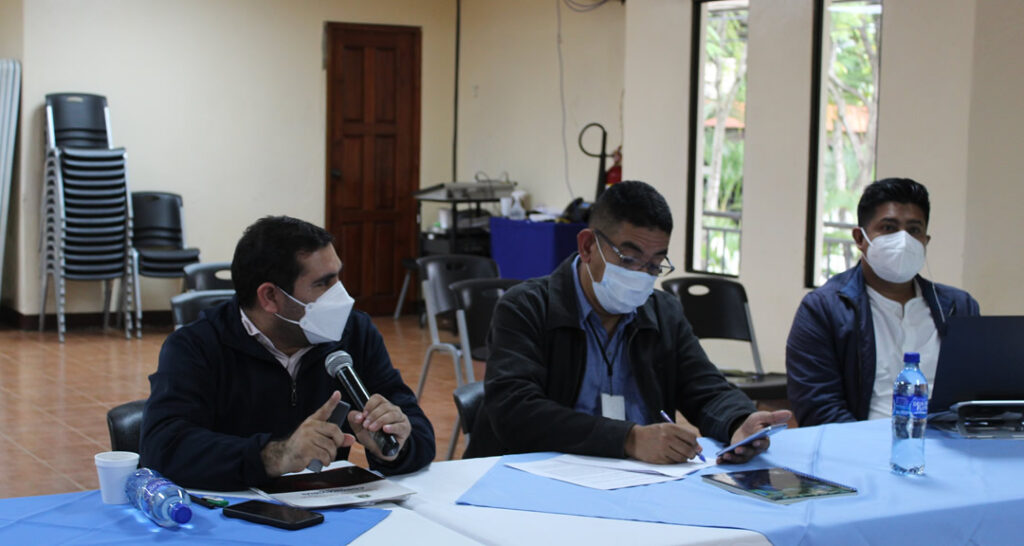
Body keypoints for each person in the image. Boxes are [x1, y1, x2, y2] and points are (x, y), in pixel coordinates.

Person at [466, 181, 790, 464]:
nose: (640, 275)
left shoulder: (663, 312)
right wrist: (628, 439)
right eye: (629, 258)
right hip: (535, 476)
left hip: (635, 480)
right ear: (588, 246)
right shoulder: (527, 307)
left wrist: (739, 421)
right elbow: (515, 411)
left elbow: (705, 388)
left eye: (654, 265)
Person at [140, 216, 435, 490]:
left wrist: (395, 445)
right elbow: (164, 447)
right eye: (323, 283)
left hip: (329, 514)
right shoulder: (196, 346)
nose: (341, 296)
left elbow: (418, 430)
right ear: (270, 297)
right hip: (231, 514)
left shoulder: (354, 333)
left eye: (338, 278)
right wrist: (276, 455)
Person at [786, 178, 980, 427]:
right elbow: (819, 409)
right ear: (860, 238)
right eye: (889, 228)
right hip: (857, 454)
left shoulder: (959, 308)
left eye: (914, 230)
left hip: (948, 449)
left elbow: (975, 399)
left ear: (925, 241)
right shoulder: (823, 310)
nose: (903, 240)